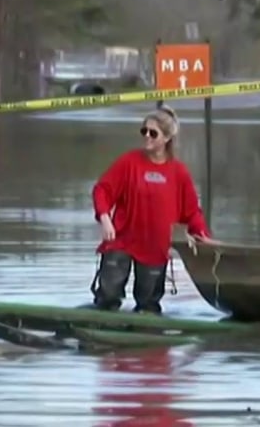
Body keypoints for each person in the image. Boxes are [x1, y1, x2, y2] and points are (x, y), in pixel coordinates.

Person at [90, 104, 213, 314]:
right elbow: (102, 190)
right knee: (108, 296)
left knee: (148, 305)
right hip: (121, 241)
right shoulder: (129, 162)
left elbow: (191, 212)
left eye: (153, 133)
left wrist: (204, 237)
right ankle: (102, 329)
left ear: (166, 138)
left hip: (155, 248)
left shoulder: (178, 173)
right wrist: (104, 217)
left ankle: (148, 339)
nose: (146, 136)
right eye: (143, 131)